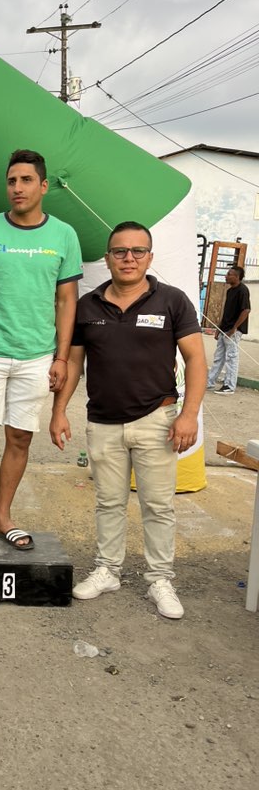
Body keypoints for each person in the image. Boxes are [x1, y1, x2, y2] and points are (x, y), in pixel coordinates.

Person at [49, 221, 207, 620]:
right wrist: (59, 411)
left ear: (150, 258)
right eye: (120, 251)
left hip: (157, 419)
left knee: (158, 505)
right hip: (103, 422)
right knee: (108, 502)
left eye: (138, 251)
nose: (129, 258)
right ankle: (108, 570)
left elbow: (196, 359)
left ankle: (160, 579)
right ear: (108, 258)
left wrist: (189, 415)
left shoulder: (172, 300)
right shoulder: (88, 306)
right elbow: (73, 363)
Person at [0, 148, 82, 555]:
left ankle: (2, 517)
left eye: (26, 180)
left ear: (43, 186)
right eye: (11, 181)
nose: (17, 188)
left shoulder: (64, 235)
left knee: (20, 437)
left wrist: (61, 357)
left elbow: (67, 300)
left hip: (36, 355)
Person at [207, 265, 251, 395]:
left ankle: (229, 386)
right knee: (218, 357)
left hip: (233, 331)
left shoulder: (243, 290)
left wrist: (234, 328)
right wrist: (219, 328)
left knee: (231, 357)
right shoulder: (230, 291)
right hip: (224, 329)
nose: (226, 276)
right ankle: (210, 382)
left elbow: (246, 310)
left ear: (237, 277)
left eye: (229, 274)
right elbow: (226, 312)